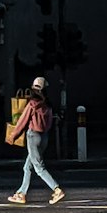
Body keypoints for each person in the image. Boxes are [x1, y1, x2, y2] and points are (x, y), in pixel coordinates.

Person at [7, 77, 65, 205]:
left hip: (33, 136)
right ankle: (21, 193)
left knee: (39, 167)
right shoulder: (48, 105)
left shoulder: (32, 104)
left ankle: (56, 189)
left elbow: (22, 121)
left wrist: (13, 136)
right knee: (27, 167)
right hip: (44, 137)